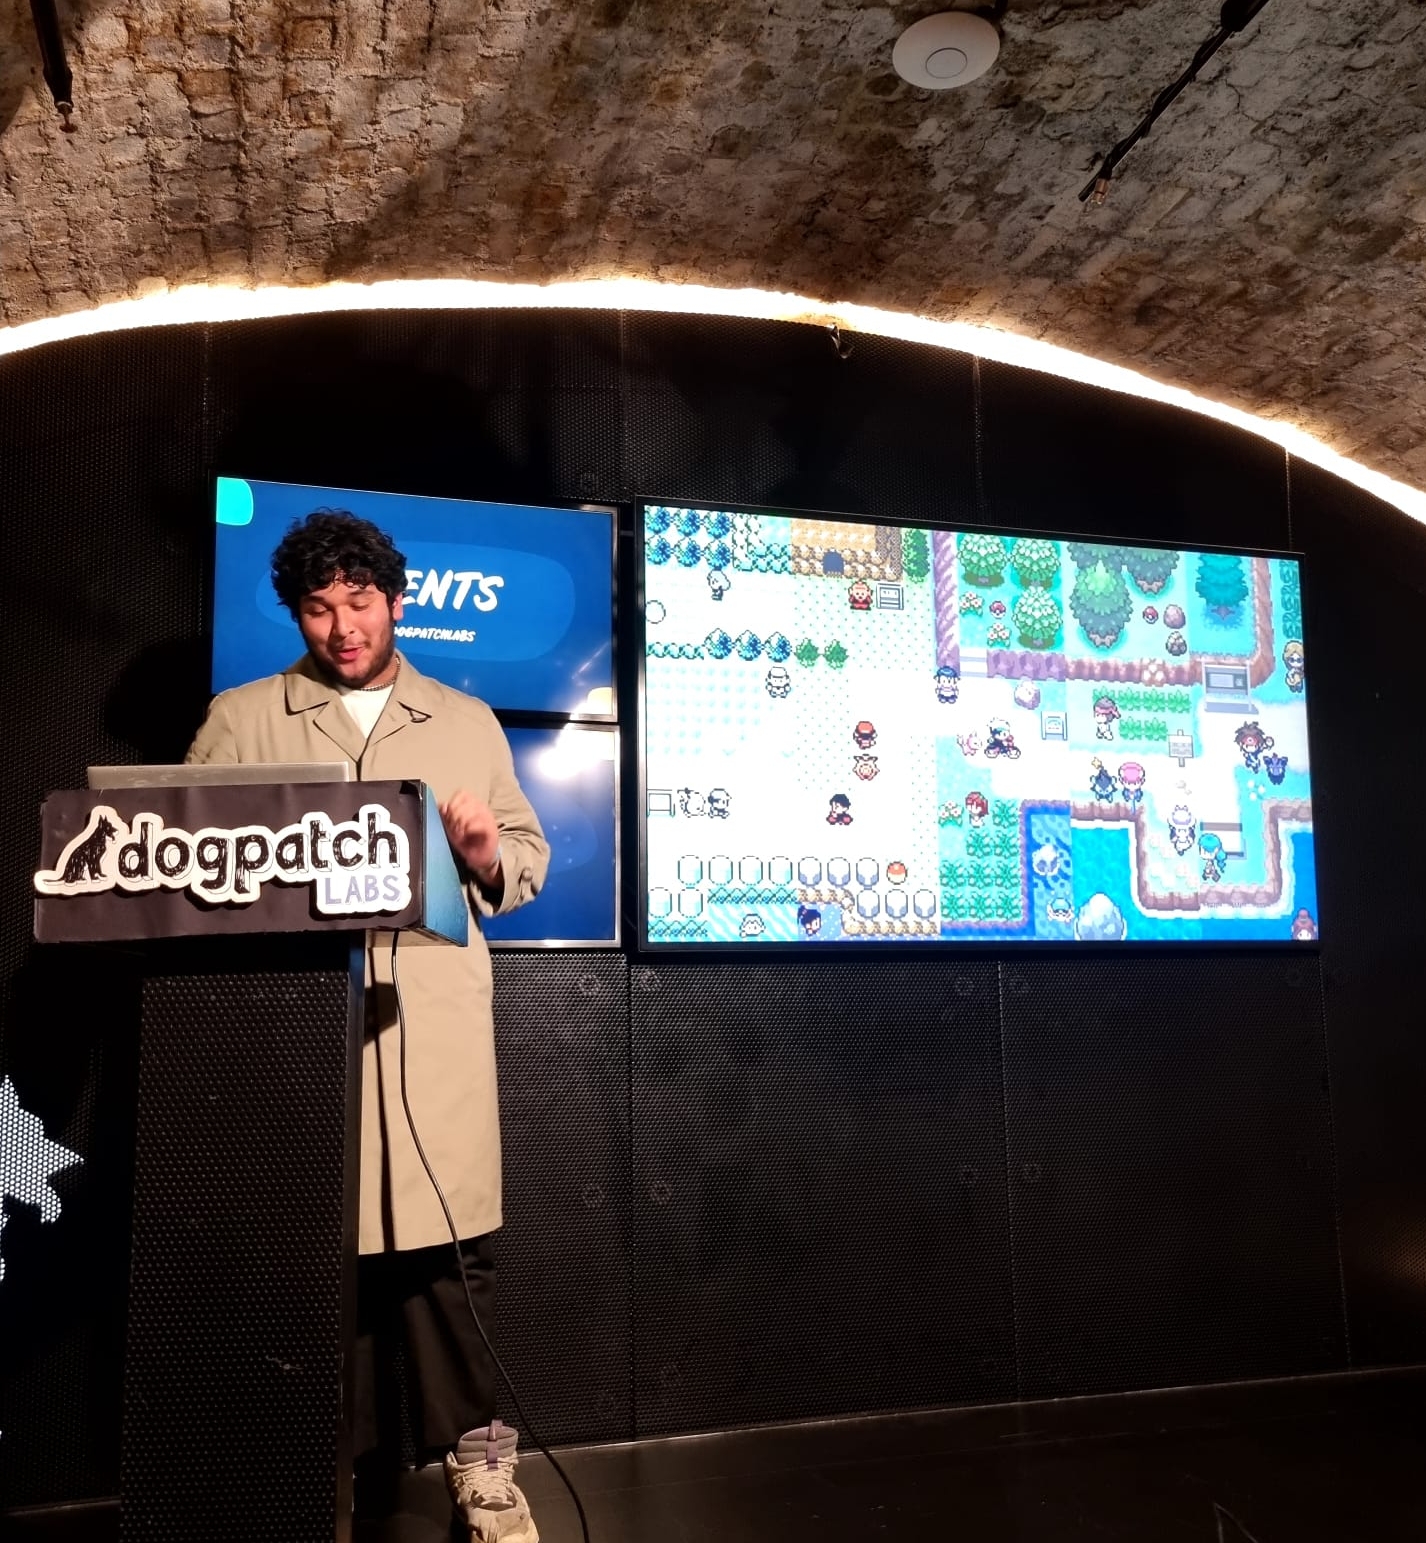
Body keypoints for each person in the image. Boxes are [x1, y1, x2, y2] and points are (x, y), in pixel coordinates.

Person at [186, 510, 551, 1542]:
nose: (342, 627)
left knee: (449, 1263)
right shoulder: (241, 717)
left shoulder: (466, 719)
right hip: (295, 1037)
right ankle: (313, 1476)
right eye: (318, 607)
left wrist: (482, 853)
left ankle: (481, 1472)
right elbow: (186, 866)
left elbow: (524, 863)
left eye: (359, 601)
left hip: (429, 1034)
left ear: (395, 600)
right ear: (296, 614)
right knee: (312, 1263)